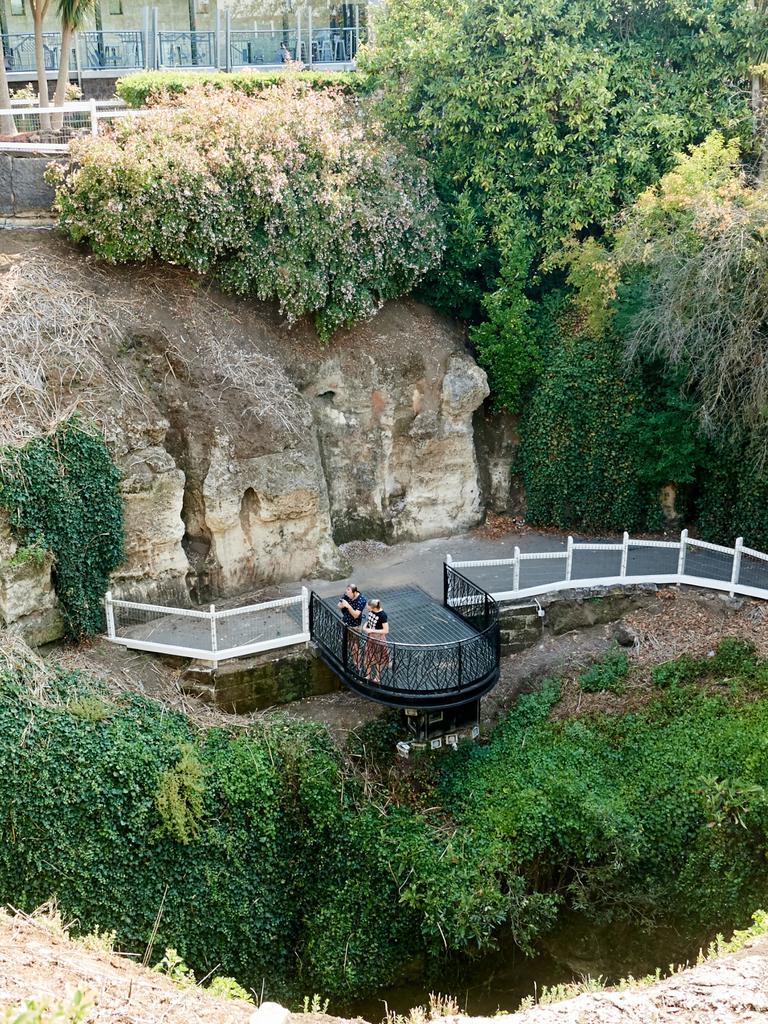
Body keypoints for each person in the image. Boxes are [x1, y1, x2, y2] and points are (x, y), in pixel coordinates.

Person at [338, 584, 366, 667]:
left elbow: (356, 615)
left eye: (349, 594)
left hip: (355, 626)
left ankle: (357, 665)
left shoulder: (361, 600)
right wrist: (344, 604)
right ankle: (352, 661)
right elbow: (339, 605)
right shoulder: (346, 595)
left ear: (354, 592)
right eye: (347, 593)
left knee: (355, 647)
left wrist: (347, 605)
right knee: (348, 644)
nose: (347, 596)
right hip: (345, 623)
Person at [362, 598, 390, 684]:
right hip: (371, 637)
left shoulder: (382, 615)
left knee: (379, 659)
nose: (366, 607)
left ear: (373, 607)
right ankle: (368, 674)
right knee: (368, 656)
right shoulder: (371, 611)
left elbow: (386, 630)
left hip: (378, 639)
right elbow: (369, 620)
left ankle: (377, 677)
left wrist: (371, 631)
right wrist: (365, 626)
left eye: (368, 606)